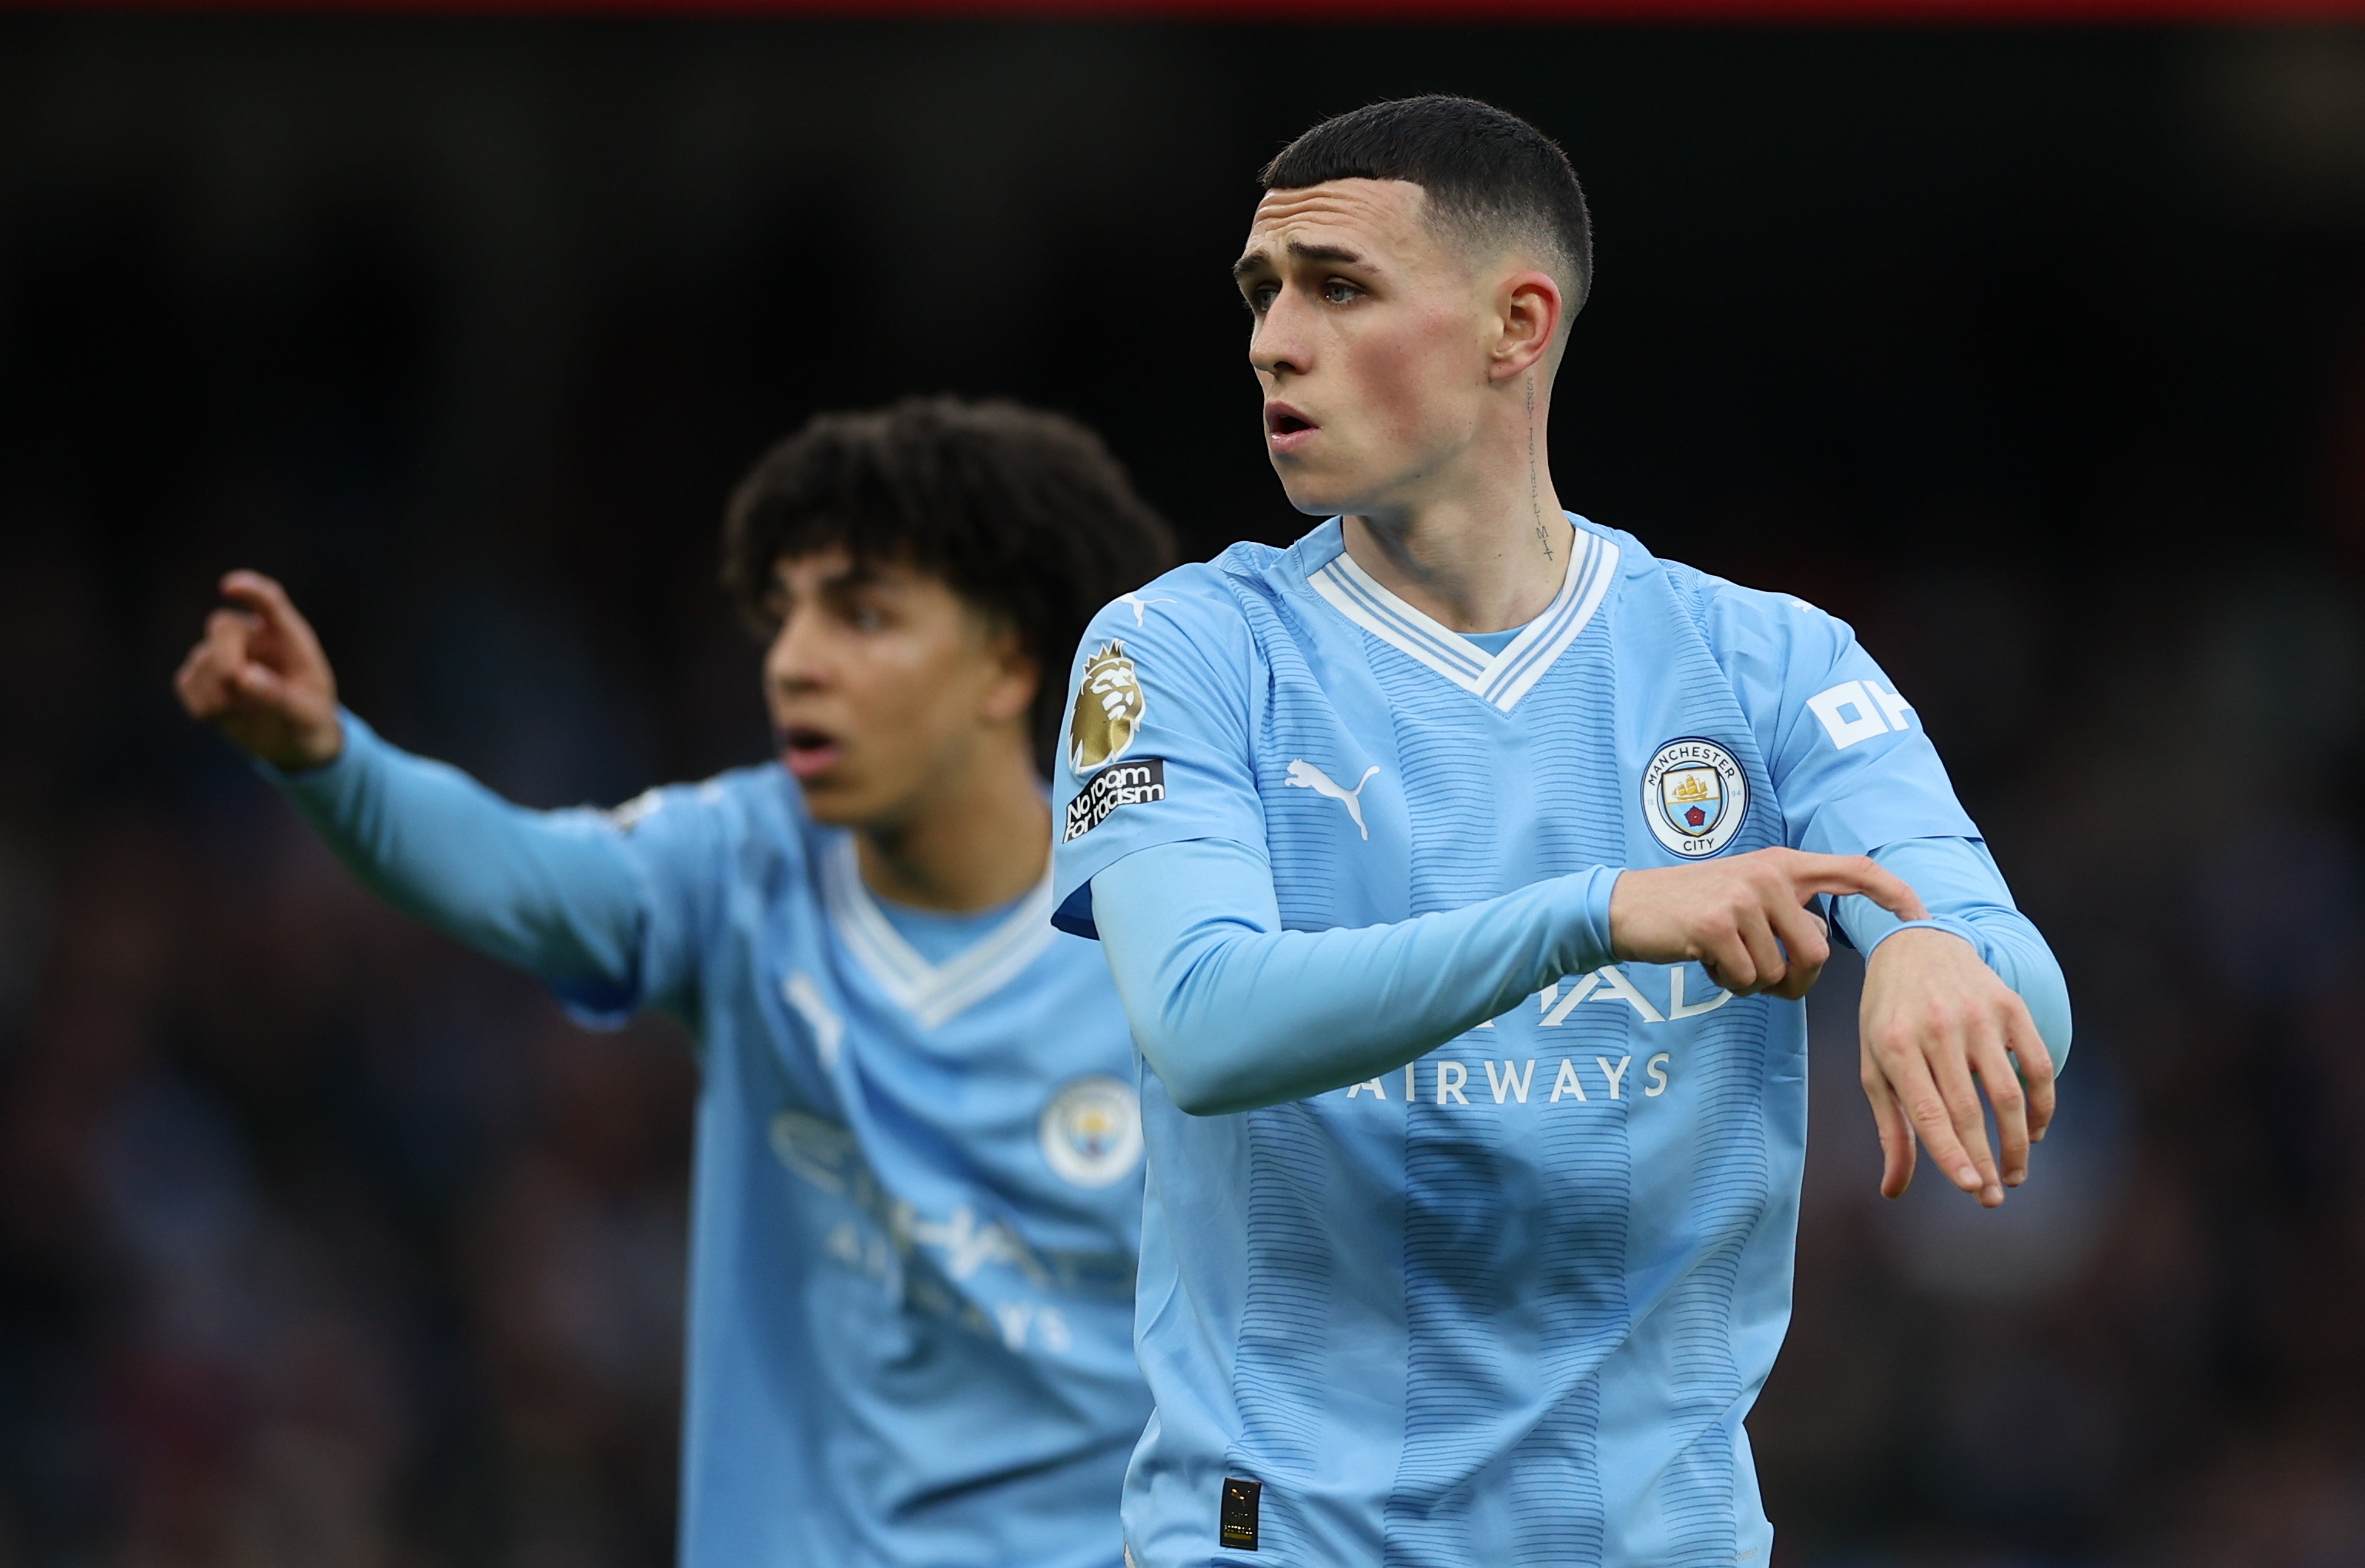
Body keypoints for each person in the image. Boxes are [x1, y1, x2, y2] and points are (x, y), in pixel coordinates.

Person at [1051, 97, 2073, 1566]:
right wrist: (1596, 912)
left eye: (1338, 287)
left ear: (1514, 324)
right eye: (1263, 293)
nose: (1275, 339)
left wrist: (1927, 945)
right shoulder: (1184, 649)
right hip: (1289, 1542)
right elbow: (1202, 1020)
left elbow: (2015, 985)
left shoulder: (1771, 663)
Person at [176, 397, 1176, 1568]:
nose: (795, 661)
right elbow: (521, 874)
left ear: (1008, 663)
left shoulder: (1165, 929)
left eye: (861, 614)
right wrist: (332, 760)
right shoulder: (739, 866)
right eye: (782, 614)